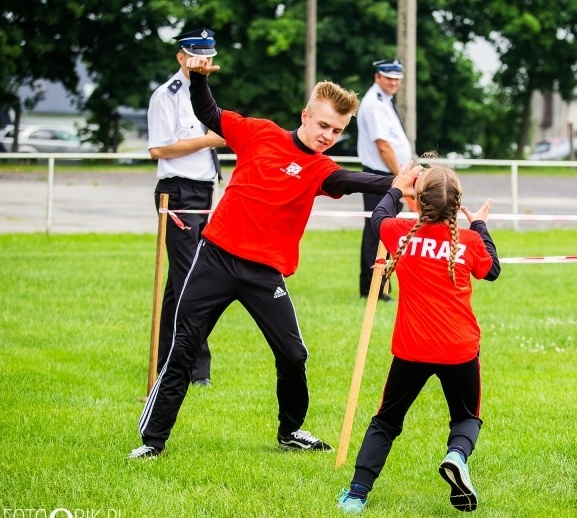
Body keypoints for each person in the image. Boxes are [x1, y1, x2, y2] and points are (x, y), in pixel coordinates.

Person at [128, 55, 405, 459]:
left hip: (265, 274)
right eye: (323, 125)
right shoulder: (259, 133)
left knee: (293, 354)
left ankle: (291, 431)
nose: (328, 135)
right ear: (305, 115)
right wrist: (200, 78)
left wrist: (398, 183)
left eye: (337, 131)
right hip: (215, 259)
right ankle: (153, 442)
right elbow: (208, 111)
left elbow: (352, 180)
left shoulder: (321, 168)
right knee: (183, 347)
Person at [337, 160, 501, 514]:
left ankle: (355, 495)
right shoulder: (470, 241)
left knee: (386, 421)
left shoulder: (398, 232)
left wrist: (397, 186)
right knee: (466, 418)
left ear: (417, 201)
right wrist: (481, 224)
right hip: (459, 349)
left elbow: (378, 216)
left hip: (411, 349)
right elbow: (493, 271)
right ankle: (456, 455)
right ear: (457, 205)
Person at [147, 28, 226, 386]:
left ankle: (167, 358)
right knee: (194, 281)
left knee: (179, 284)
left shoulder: (202, 93)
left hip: (204, 193)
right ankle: (196, 369)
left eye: (208, 56)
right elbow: (160, 149)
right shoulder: (168, 95)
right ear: (181, 57)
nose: (204, 62)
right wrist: (209, 139)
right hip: (177, 193)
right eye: (197, 56)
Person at [356, 59, 414, 301]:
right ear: (377, 76)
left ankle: (378, 286)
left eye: (397, 78)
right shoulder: (374, 104)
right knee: (377, 230)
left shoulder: (383, 101)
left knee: (383, 229)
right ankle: (373, 288)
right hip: (381, 176)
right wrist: (399, 177)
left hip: (387, 175)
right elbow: (383, 146)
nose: (393, 82)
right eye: (388, 77)